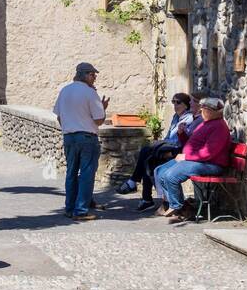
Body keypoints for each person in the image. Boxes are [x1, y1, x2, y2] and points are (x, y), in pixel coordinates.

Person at [153, 97, 232, 225]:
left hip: (211, 164)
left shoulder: (219, 127)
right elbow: (190, 144)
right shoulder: (205, 123)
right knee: (161, 172)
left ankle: (178, 208)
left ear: (211, 111)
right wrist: (181, 134)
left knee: (171, 176)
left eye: (204, 109)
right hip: (196, 160)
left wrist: (186, 157)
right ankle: (184, 208)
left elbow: (209, 153)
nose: (201, 111)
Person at [115, 94, 198, 210]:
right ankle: (146, 198)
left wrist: (169, 149)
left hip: (177, 151)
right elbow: (169, 137)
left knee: (147, 154)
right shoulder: (175, 117)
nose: (175, 105)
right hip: (169, 147)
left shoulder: (189, 118)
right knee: (148, 160)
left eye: (178, 102)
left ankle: (138, 187)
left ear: (186, 105)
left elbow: (183, 142)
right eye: (173, 102)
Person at [52, 62, 109, 220]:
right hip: (87, 138)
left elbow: (58, 116)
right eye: (92, 74)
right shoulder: (90, 93)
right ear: (84, 75)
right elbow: (98, 120)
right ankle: (81, 210)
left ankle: (70, 208)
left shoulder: (64, 91)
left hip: (69, 137)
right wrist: (103, 108)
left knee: (71, 173)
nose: (95, 78)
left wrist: (69, 128)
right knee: (86, 174)